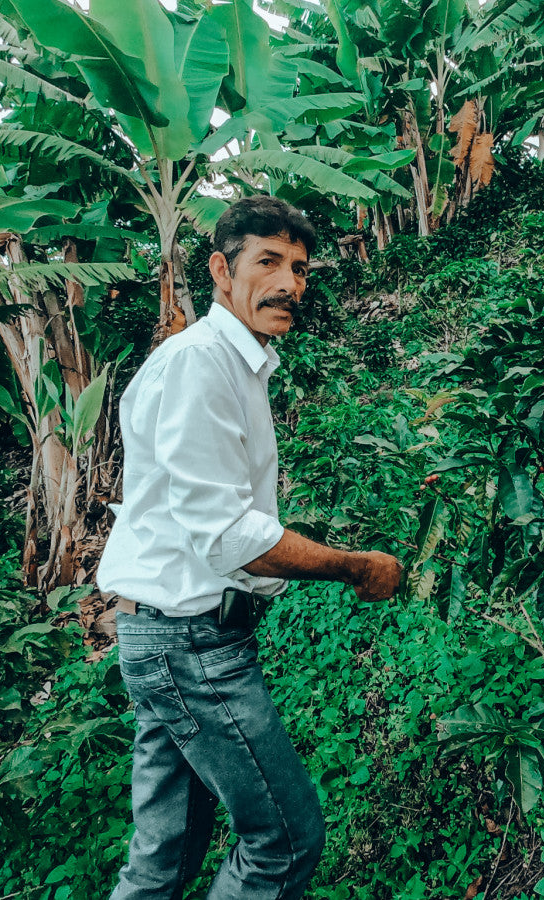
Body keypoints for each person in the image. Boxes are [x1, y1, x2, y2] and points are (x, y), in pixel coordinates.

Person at [97, 195, 403, 900]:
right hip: (191, 646)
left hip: (167, 634)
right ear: (219, 270)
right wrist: (353, 566)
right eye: (267, 262)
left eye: (298, 268)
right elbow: (230, 536)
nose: (290, 284)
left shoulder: (235, 365)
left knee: (162, 860)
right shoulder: (202, 364)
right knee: (284, 843)